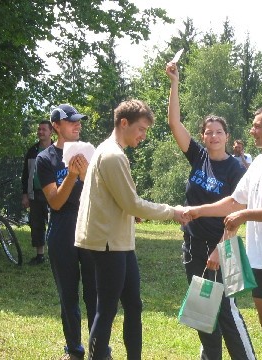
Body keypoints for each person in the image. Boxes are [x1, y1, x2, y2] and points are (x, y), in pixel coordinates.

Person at [186, 105, 262, 360]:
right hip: (260, 258)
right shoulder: (258, 165)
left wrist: (246, 215)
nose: (252, 131)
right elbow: (235, 201)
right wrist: (199, 210)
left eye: (257, 126)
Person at [74, 99, 187, 360]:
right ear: (123, 123)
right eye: (141, 129)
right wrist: (173, 212)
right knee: (107, 310)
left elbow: (113, 199)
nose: (143, 136)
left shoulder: (112, 152)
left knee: (133, 306)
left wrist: (130, 211)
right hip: (108, 244)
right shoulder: (112, 155)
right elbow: (132, 202)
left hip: (120, 243)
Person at [165, 62, 256, 360]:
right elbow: (175, 124)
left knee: (226, 311)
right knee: (202, 310)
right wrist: (174, 82)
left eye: (218, 132)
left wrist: (220, 248)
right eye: (208, 132)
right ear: (203, 137)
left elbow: (237, 213)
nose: (213, 136)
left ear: (227, 136)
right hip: (192, 246)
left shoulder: (236, 169)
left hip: (222, 247)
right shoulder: (198, 157)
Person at [36, 104, 96, 360]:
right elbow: (56, 202)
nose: (77, 125)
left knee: (95, 292)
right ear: (56, 126)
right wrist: (72, 174)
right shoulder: (45, 159)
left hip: (90, 225)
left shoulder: (90, 152)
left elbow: (100, 191)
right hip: (62, 229)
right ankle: (74, 350)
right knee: (68, 295)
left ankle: (99, 349)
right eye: (71, 122)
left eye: (79, 121)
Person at [21, 120, 53, 265]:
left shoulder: (57, 149)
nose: (40, 132)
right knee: (37, 224)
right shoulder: (32, 151)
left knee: (56, 223)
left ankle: (57, 253)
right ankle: (40, 255)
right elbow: (25, 174)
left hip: (54, 192)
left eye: (43, 129)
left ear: (51, 132)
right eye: (39, 129)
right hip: (35, 193)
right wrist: (25, 194)